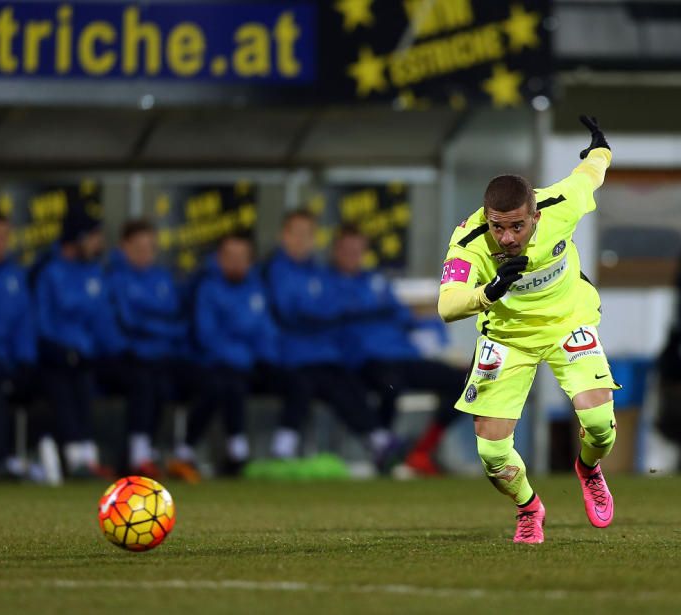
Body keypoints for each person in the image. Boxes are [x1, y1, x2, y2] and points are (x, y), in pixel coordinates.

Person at [437, 116, 618, 544]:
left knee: (599, 423)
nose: (506, 237)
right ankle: (529, 507)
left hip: (567, 321)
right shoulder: (469, 240)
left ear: (535, 215)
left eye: (517, 226)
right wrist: (489, 292)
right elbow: (446, 306)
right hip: (507, 337)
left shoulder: (560, 204)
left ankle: (589, 468)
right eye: (497, 226)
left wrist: (600, 149)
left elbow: (590, 175)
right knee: (491, 453)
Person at [264, 210, 399, 469]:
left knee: (345, 382)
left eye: (309, 234)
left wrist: (319, 310)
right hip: (284, 356)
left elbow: (335, 305)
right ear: (284, 236)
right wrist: (322, 311)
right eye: (297, 233)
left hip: (322, 354)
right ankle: (282, 448)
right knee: (303, 383)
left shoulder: (318, 272)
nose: (303, 240)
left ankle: (378, 441)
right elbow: (291, 312)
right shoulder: (274, 270)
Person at [330, 224, 466, 475]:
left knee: (466, 381)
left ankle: (421, 452)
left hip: (404, 355)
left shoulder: (376, 280)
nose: (353, 257)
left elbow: (406, 316)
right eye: (347, 251)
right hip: (366, 361)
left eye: (358, 251)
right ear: (336, 251)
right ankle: (384, 454)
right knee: (390, 386)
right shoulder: (326, 284)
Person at [168, 232, 279, 480]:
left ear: (250, 260)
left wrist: (261, 357)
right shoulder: (206, 287)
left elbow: (266, 333)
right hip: (206, 362)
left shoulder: (257, 289)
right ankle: (195, 450)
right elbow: (206, 336)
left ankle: (272, 453)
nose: (236, 263)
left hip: (247, 364)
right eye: (230, 256)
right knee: (221, 384)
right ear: (219, 259)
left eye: (242, 257)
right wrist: (243, 350)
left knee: (293, 379)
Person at [35, 209, 125, 478]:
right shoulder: (48, 272)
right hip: (51, 355)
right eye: (95, 236)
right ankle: (75, 457)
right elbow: (40, 320)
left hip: (88, 356)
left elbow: (104, 321)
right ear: (79, 238)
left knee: (93, 376)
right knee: (63, 377)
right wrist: (59, 350)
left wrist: (118, 351)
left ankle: (89, 456)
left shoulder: (95, 272)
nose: (100, 243)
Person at [107, 219, 187, 478]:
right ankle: (137, 456)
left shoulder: (162, 277)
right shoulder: (114, 277)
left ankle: (148, 452)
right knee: (142, 382)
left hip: (159, 356)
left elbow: (176, 318)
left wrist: (149, 321)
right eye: (138, 247)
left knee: (164, 386)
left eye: (150, 247)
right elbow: (128, 321)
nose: (145, 253)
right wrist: (157, 322)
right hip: (124, 356)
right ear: (124, 246)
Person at [0, 213, 36, 479]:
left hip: (6, 362)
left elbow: (24, 324)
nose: (0, 243)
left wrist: (25, 361)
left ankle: (10, 460)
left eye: (4, 237)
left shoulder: (15, 276)